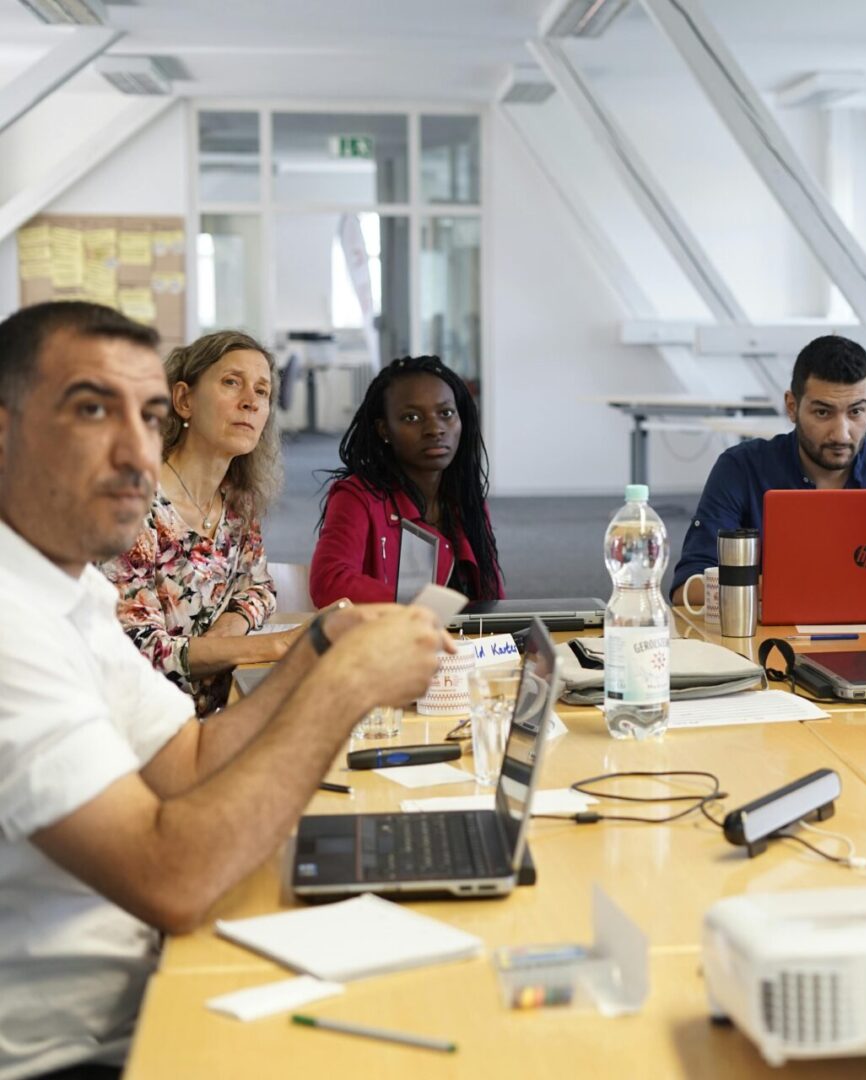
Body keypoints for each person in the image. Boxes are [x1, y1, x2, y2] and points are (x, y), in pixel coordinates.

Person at [0, 300, 449, 1078]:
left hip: (156, 977)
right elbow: (170, 877)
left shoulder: (68, 593)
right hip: (82, 1050)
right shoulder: (12, 621)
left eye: (144, 417)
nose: (136, 452)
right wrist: (339, 690)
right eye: (90, 410)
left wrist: (315, 649)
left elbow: (190, 757)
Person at [101, 330, 297, 715]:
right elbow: (139, 649)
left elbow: (259, 588)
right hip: (143, 729)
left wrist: (231, 627)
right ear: (184, 400)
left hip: (220, 712)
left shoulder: (238, 499)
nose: (250, 403)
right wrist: (273, 645)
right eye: (231, 383)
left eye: (262, 392)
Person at [670, 334, 866, 591]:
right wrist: (792, 591)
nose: (841, 433)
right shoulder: (742, 469)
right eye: (823, 412)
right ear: (792, 406)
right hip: (774, 639)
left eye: (856, 411)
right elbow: (689, 585)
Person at [310, 355, 504, 606]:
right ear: (384, 430)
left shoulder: (465, 498)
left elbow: (493, 599)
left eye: (446, 413)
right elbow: (329, 583)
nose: (435, 429)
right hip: (387, 641)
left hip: (460, 643)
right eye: (412, 418)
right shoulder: (357, 496)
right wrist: (426, 608)